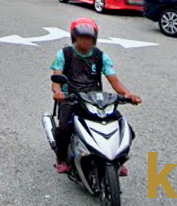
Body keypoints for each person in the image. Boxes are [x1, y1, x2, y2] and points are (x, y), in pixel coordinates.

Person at [50, 18, 140, 175]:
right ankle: (61, 158)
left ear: (94, 39)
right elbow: (56, 80)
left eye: (89, 38)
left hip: (94, 98)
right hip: (70, 97)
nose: (85, 42)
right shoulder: (64, 54)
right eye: (81, 38)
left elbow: (114, 81)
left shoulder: (101, 56)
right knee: (64, 128)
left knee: (125, 128)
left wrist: (127, 94)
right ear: (74, 38)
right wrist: (58, 92)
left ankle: (118, 158)